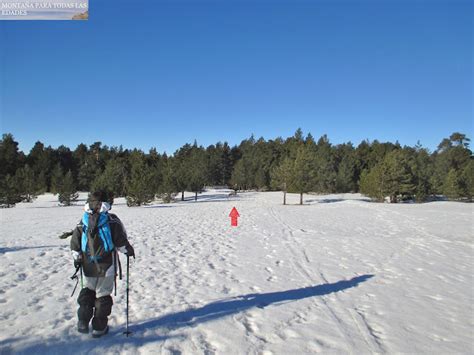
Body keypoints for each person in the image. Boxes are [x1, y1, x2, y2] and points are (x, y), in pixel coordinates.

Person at [70, 190, 135, 337]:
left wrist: (77, 258)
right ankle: (99, 328)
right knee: (103, 295)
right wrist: (129, 251)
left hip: (88, 265)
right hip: (107, 266)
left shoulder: (83, 220)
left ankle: (82, 322)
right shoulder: (111, 220)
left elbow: (75, 244)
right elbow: (121, 243)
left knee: (88, 291)